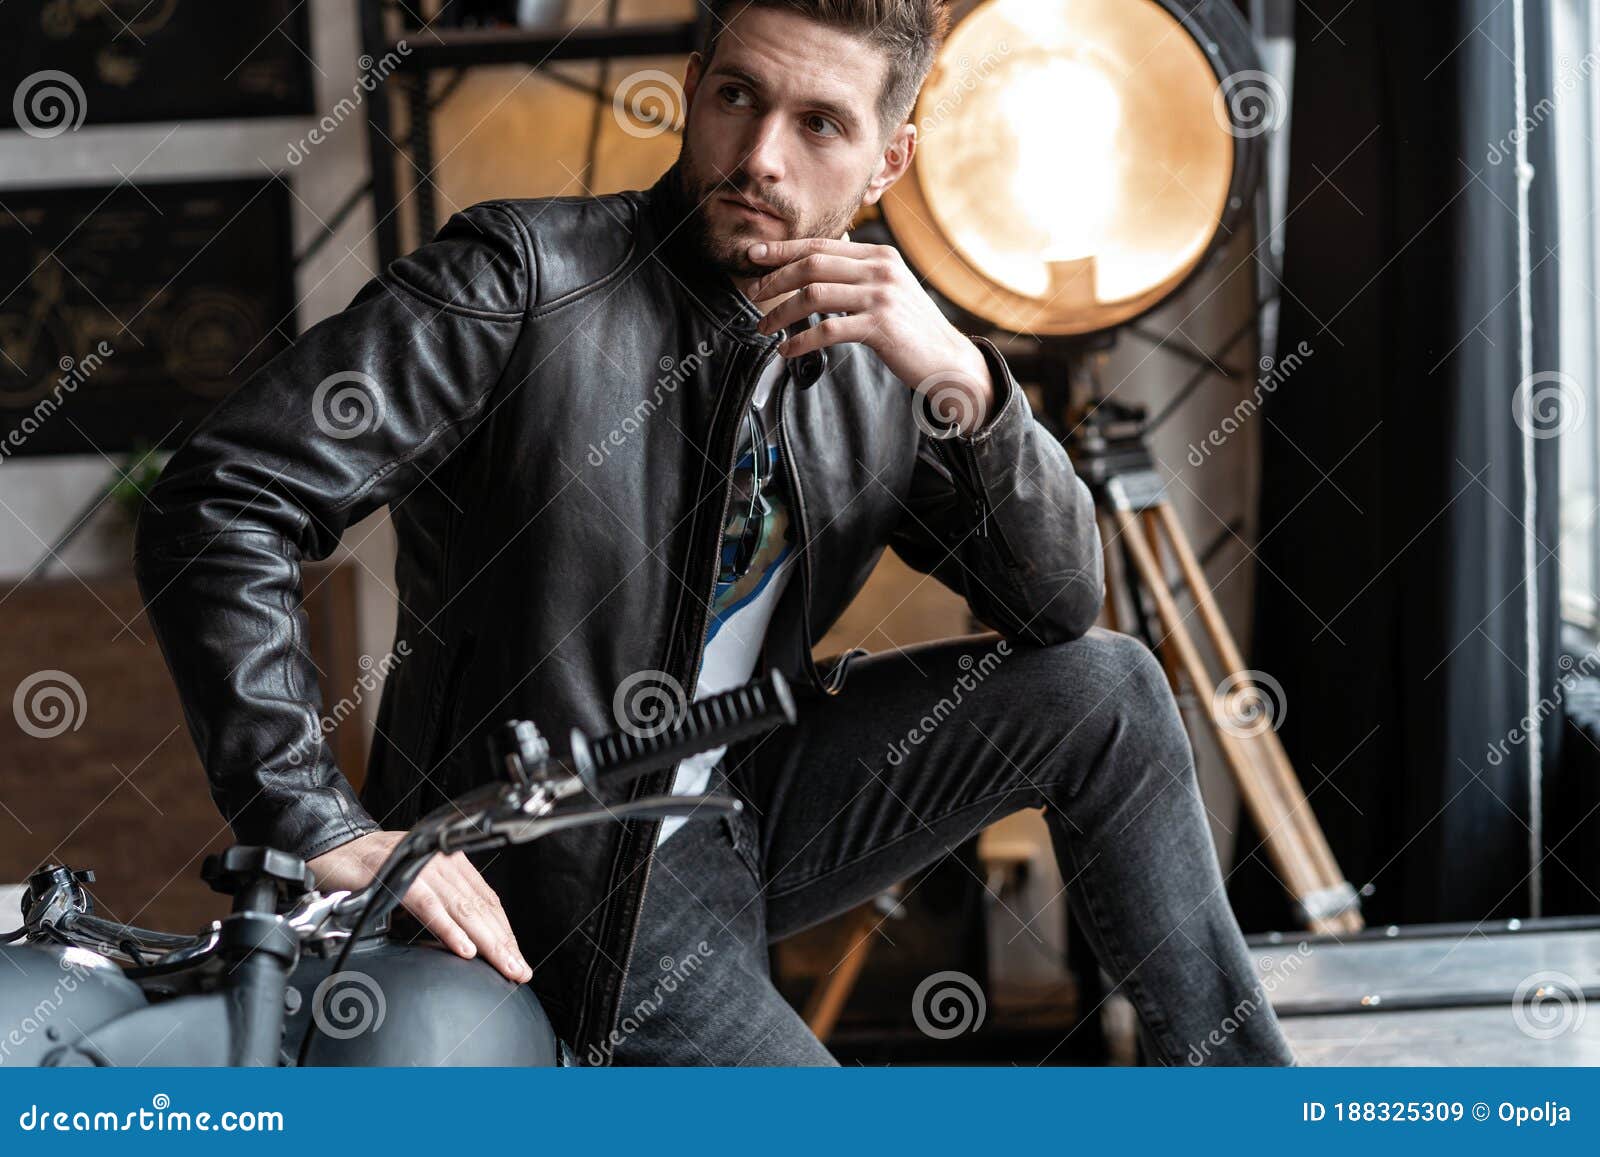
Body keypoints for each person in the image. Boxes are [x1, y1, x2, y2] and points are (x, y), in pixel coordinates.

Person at [134, 0, 1296, 1066]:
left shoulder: (880, 359)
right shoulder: (523, 280)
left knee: (1111, 687)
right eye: (738, 97)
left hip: (741, 802)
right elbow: (225, 496)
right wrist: (315, 816)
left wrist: (967, 384)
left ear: (889, 158)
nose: (760, 159)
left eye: (820, 124)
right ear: (693, 87)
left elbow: (1052, 606)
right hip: (554, 855)